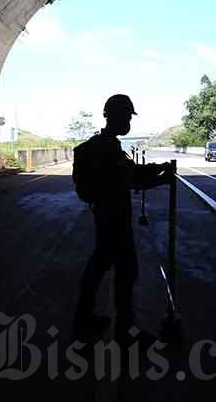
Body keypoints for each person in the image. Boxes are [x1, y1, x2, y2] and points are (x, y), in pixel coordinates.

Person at [72, 94, 174, 344]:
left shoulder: (105, 144)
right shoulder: (106, 147)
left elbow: (128, 172)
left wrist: (156, 169)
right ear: (115, 116)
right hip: (114, 218)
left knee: (98, 267)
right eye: (127, 115)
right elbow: (129, 179)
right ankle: (126, 333)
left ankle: (85, 320)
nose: (129, 120)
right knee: (126, 271)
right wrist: (161, 177)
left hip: (106, 216)